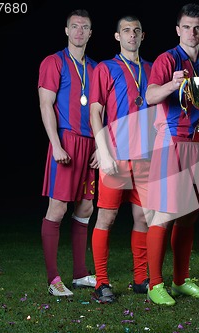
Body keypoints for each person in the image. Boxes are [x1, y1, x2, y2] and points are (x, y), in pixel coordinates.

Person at [144, 3, 199, 306]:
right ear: (178, 30)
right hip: (171, 141)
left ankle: (179, 280)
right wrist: (170, 85)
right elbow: (149, 96)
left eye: (197, 27)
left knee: (188, 217)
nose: (191, 32)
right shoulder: (167, 59)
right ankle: (154, 284)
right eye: (186, 27)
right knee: (164, 213)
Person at [89, 15, 154, 303]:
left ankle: (141, 279)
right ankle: (101, 283)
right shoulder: (106, 68)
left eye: (136, 31)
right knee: (108, 216)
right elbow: (95, 112)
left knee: (142, 217)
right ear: (117, 36)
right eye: (126, 30)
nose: (131, 35)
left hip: (146, 157)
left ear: (143, 36)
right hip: (115, 154)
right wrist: (102, 151)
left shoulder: (152, 70)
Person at [38, 9, 98, 296]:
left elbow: (101, 111)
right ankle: (53, 279)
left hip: (91, 145)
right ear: (66, 31)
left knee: (86, 207)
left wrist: (101, 147)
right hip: (67, 141)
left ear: (90, 33)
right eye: (74, 26)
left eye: (84, 27)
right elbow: (45, 105)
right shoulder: (53, 62)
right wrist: (56, 144)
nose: (78, 31)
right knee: (58, 207)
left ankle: (79, 274)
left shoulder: (96, 68)